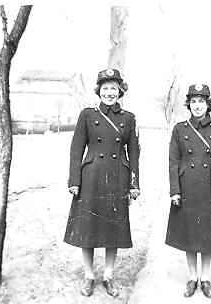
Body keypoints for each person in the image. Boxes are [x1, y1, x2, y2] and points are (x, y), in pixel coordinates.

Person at [64, 68, 140, 297]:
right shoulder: (87, 115)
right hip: (91, 178)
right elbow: (76, 149)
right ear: (99, 91)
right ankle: (89, 275)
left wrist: (134, 184)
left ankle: (108, 275)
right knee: (88, 227)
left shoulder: (129, 118)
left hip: (117, 178)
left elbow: (134, 153)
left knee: (112, 229)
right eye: (105, 88)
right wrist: (74, 180)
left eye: (113, 89)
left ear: (120, 91)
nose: (109, 93)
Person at [165, 84, 211, 298]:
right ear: (189, 104)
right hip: (187, 187)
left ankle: (206, 278)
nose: (197, 106)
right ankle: (192, 277)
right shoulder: (180, 129)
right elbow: (173, 162)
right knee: (189, 233)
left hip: (210, 187)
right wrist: (174, 191)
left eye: (201, 101)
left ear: (208, 104)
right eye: (193, 102)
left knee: (207, 234)